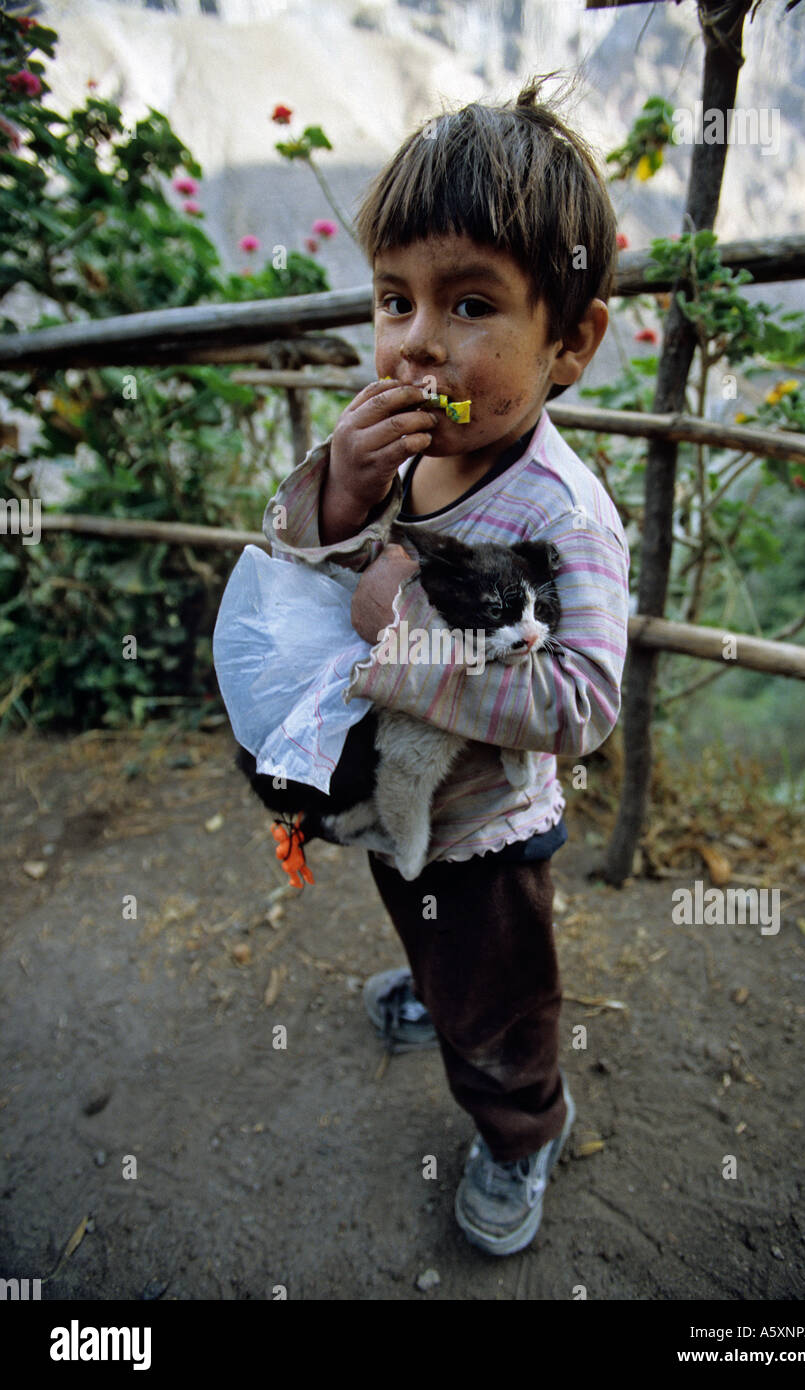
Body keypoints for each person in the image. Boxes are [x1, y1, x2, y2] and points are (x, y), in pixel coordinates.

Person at [260, 72, 630, 1256]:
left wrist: (408, 654)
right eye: (393, 299)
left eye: (469, 303)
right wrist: (339, 491)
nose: (416, 341)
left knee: (502, 995)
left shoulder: (565, 512)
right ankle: (437, 984)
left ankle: (523, 1122)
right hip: (405, 801)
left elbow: (583, 703)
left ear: (568, 341)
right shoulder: (405, 458)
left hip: (492, 827)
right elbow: (318, 572)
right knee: (413, 904)